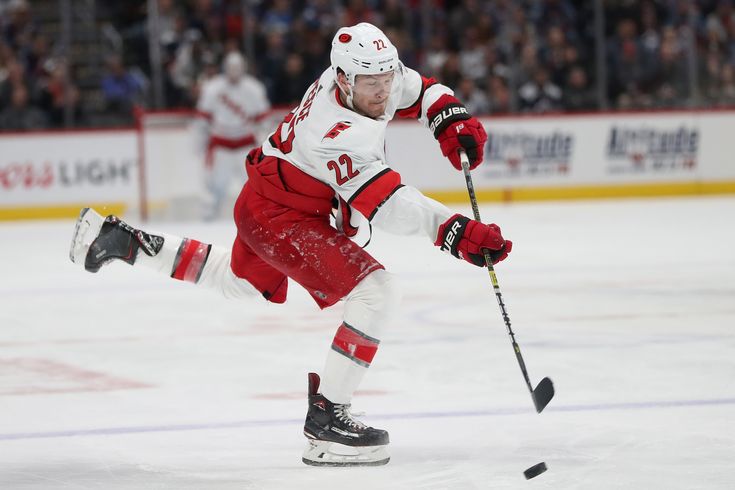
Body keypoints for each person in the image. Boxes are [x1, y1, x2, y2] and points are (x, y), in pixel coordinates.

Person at [69, 23, 511, 467]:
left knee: (239, 283)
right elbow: (390, 206)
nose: (382, 92)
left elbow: (416, 86)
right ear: (343, 79)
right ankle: (327, 421)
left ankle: (124, 243)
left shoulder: (356, 79)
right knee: (376, 291)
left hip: (264, 200)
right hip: (282, 218)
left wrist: (448, 115)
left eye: (385, 79)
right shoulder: (335, 133)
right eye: (371, 83)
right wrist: (454, 231)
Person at [194, 51, 270, 219]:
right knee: (215, 187)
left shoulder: (254, 88)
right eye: (231, 67)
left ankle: (258, 220)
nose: (234, 71)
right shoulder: (212, 88)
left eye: (237, 67)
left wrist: (264, 145)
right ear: (224, 68)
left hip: (246, 147)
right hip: (221, 147)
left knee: (253, 187)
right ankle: (208, 222)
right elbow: (203, 120)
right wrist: (200, 144)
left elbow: (264, 120)